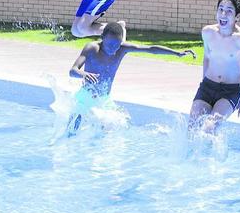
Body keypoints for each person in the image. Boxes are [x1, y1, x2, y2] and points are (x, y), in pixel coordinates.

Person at [65, 22, 196, 136]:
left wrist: (176, 53)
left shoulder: (122, 49)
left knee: (106, 133)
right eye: (110, 44)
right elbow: (72, 71)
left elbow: (150, 49)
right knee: (71, 132)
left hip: (104, 100)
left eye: (117, 44)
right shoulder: (92, 48)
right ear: (102, 38)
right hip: (85, 97)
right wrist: (83, 74)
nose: (113, 48)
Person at [189, 0, 240, 134]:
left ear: (237, 17)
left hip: (230, 91)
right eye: (220, 9)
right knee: (192, 128)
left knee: (209, 128)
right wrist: (203, 81)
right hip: (207, 86)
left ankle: (212, 155)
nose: (223, 14)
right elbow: (207, 57)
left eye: (229, 11)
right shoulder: (207, 32)